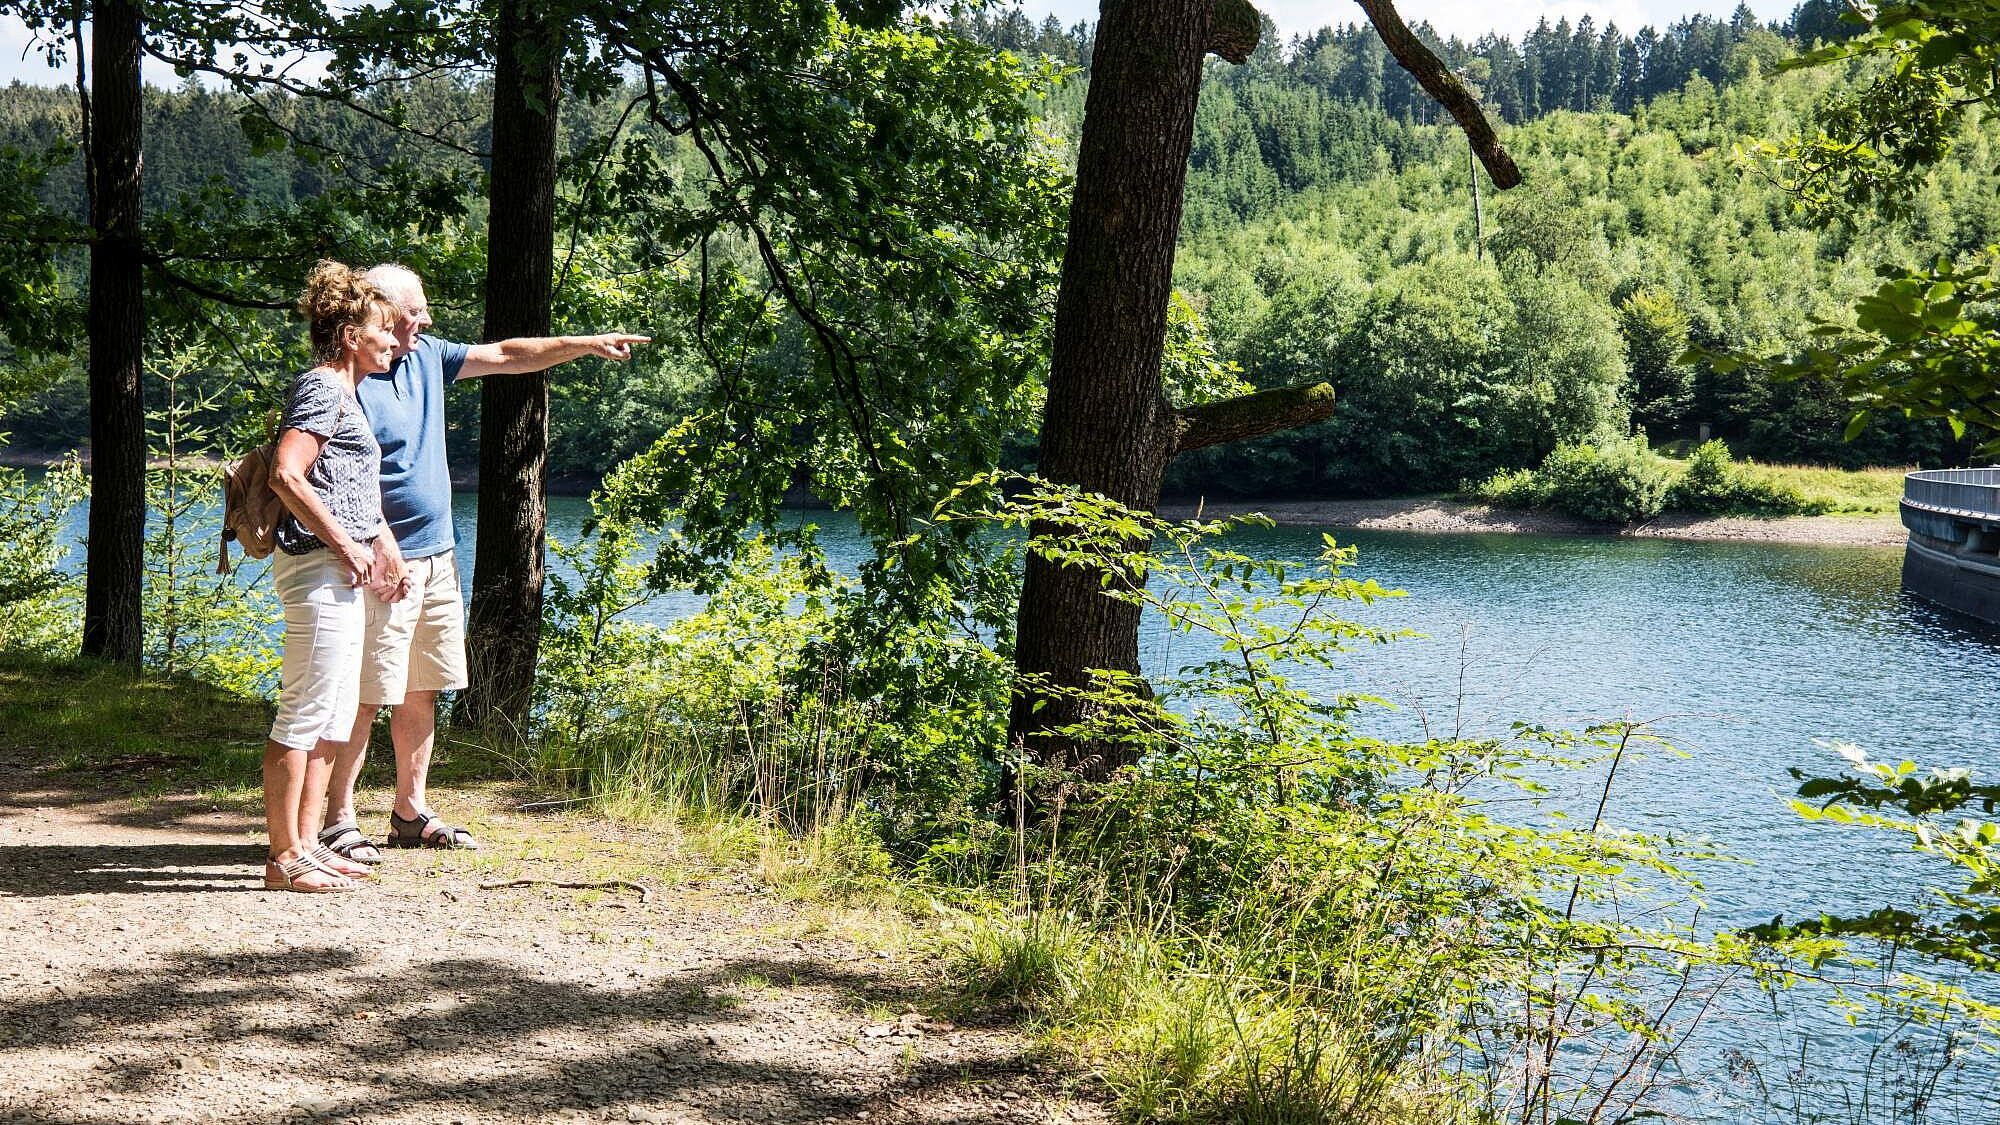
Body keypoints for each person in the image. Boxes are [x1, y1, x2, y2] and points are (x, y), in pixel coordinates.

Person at [313, 263, 649, 860]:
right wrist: (379, 543)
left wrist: (585, 345)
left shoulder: (426, 357)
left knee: (423, 688)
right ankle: (339, 820)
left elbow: (507, 354)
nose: (426, 321)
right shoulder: (351, 376)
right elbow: (340, 476)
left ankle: (409, 812)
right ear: (382, 315)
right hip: (381, 559)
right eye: (415, 312)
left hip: (436, 555)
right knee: (367, 692)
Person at [263, 261, 408, 892]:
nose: (394, 340)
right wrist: (348, 545)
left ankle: (307, 845)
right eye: (383, 329)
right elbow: (286, 474)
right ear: (350, 335)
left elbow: (348, 486)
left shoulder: (346, 392)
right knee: (304, 712)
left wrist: (382, 547)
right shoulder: (322, 388)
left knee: (332, 712)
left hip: (339, 569)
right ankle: (282, 858)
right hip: (318, 570)